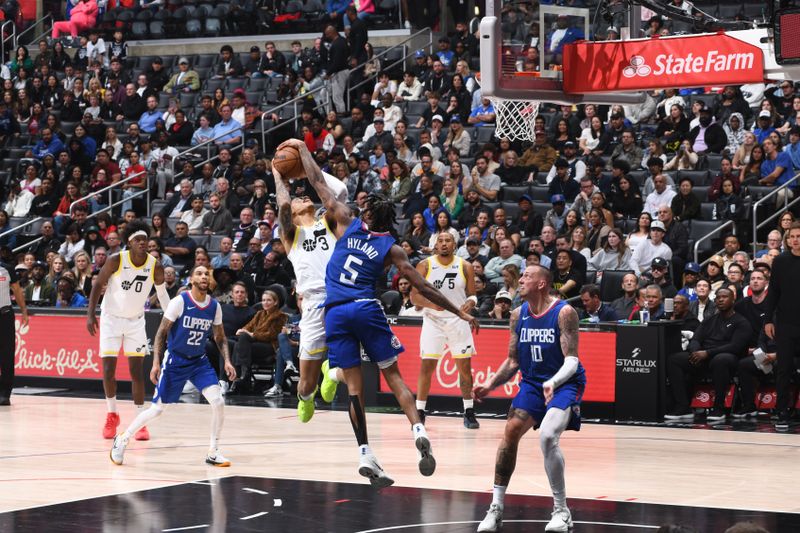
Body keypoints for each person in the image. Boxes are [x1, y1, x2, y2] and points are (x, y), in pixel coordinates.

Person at [291, 135, 479, 488]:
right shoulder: (391, 247)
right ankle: (418, 428)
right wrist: (461, 312)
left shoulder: (347, 221)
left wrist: (303, 151)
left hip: (335, 312)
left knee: (355, 391)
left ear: (366, 214)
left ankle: (365, 452)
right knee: (393, 377)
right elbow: (424, 288)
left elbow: (318, 183)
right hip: (365, 308)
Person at [474, 265, 585, 533]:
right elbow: (513, 360)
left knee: (547, 436)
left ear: (542, 283)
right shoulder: (517, 315)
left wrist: (553, 382)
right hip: (534, 384)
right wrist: (490, 384)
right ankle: (496, 508)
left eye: (527, 276)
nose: (521, 279)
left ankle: (561, 511)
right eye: (521, 275)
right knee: (510, 431)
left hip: (565, 383)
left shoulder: (564, 313)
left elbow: (572, 360)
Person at [110, 265, 236, 466]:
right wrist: (156, 363)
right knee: (158, 409)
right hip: (176, 360)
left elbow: (220, 337)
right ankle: (123, 438)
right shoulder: (180, 301)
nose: (204, 276)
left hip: (198, 361)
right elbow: (161, 332)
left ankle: (213, 451)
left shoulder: (214, 306)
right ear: (191, 280)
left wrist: (227, 361)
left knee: (218, 402)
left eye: (206, 274)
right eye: (199, 273)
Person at [272, 142, 348, 421]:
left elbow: (335, 190)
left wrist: (304, 157)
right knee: (306, 383)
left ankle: (334, 371)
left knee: (353, 360)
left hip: (342, 296)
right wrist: (278, 175)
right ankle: (306, 397)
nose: (303, 198)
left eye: (305, 197)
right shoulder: (290, 235)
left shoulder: (328, 221)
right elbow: (282, 204)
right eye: (297, 199)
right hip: (314, 302)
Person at [86, 222, 171, 441]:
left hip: (135, 321)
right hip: (111, 320)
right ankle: (112, 413)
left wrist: (172, 318)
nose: (142, 242)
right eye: (137, 240)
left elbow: (162, 295)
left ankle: (139, 420)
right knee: (108, 370)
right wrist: (90, 314)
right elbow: (97, 285)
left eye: (145, 239)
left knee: (136, 372)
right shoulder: (117, 260)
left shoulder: (155, 265)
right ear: (129, 243)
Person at [411, 232, 479, 429]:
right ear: (435, 244)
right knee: (427, 368)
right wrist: (432, 305)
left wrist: (470, 303)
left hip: (458, 321)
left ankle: (469, 411)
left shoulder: (465, 266)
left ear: (454, 244)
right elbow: (415, 297)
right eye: (440, 241)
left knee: (464, 369)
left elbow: (473, 295)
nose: (443, 244)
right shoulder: (425, 265)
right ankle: (420, 412)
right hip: (433, 322)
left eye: (447, 240)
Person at [664, 288, 750, 423]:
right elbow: (696, 338)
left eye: (724, 297)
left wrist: (707, 353)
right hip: (703, 357)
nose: (721, 299)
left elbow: (735, 346)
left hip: (727, 358)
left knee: (720, 360)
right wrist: (695, 352)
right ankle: (683, 406)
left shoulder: (741, 322)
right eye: (718, 297)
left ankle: (719, 407)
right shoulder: (710, 320)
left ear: (733, 300)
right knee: (674, 359)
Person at [763, 221, 800, 430]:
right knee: (783, 369)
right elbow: (773, 292)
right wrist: (768, 320)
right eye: (792, 236)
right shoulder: (781, 261)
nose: (795, 240)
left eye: (799, 236)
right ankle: (782, 411)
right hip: (785, 324)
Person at [0, 258, 29, 405]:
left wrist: (24, 311)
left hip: (4, 315)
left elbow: (17, 290)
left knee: (6, 354)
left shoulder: (7, 269)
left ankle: (5, 393)